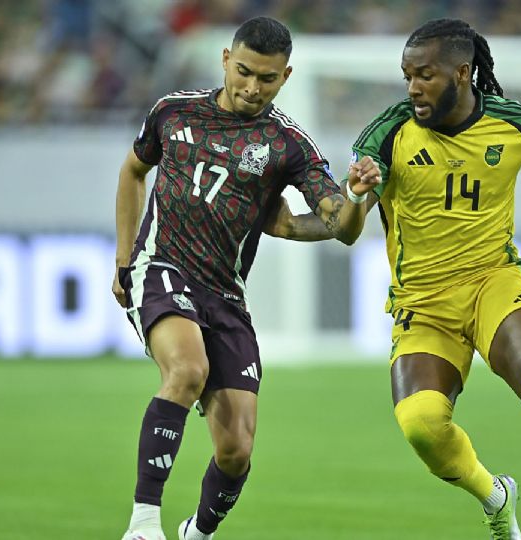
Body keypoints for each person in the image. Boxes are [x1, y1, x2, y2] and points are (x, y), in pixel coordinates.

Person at [270, 18, 521, 540]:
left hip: (493, 283)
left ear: (463, 72)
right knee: (421, 426)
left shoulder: (516, 123)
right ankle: (495, 496)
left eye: (426, 75)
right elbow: (347, 232)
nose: (413, 87)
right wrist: (359, 194)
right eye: (407, 75)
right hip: (423, 306)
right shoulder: (385, 135)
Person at [111, 16, 381, 540]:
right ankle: (143, 525)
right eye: (244, 72)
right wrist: (125, 259)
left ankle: (198, 533)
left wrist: (353, 198)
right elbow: (132, 172)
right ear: (225, 61)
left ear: (286, 76)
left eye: (267, 78)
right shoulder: (173, 112)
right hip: (161, 268)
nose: (252, 87)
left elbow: (340, 229)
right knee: (186, 370)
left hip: (225, 296)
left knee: (235, 450)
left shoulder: (287, 145)